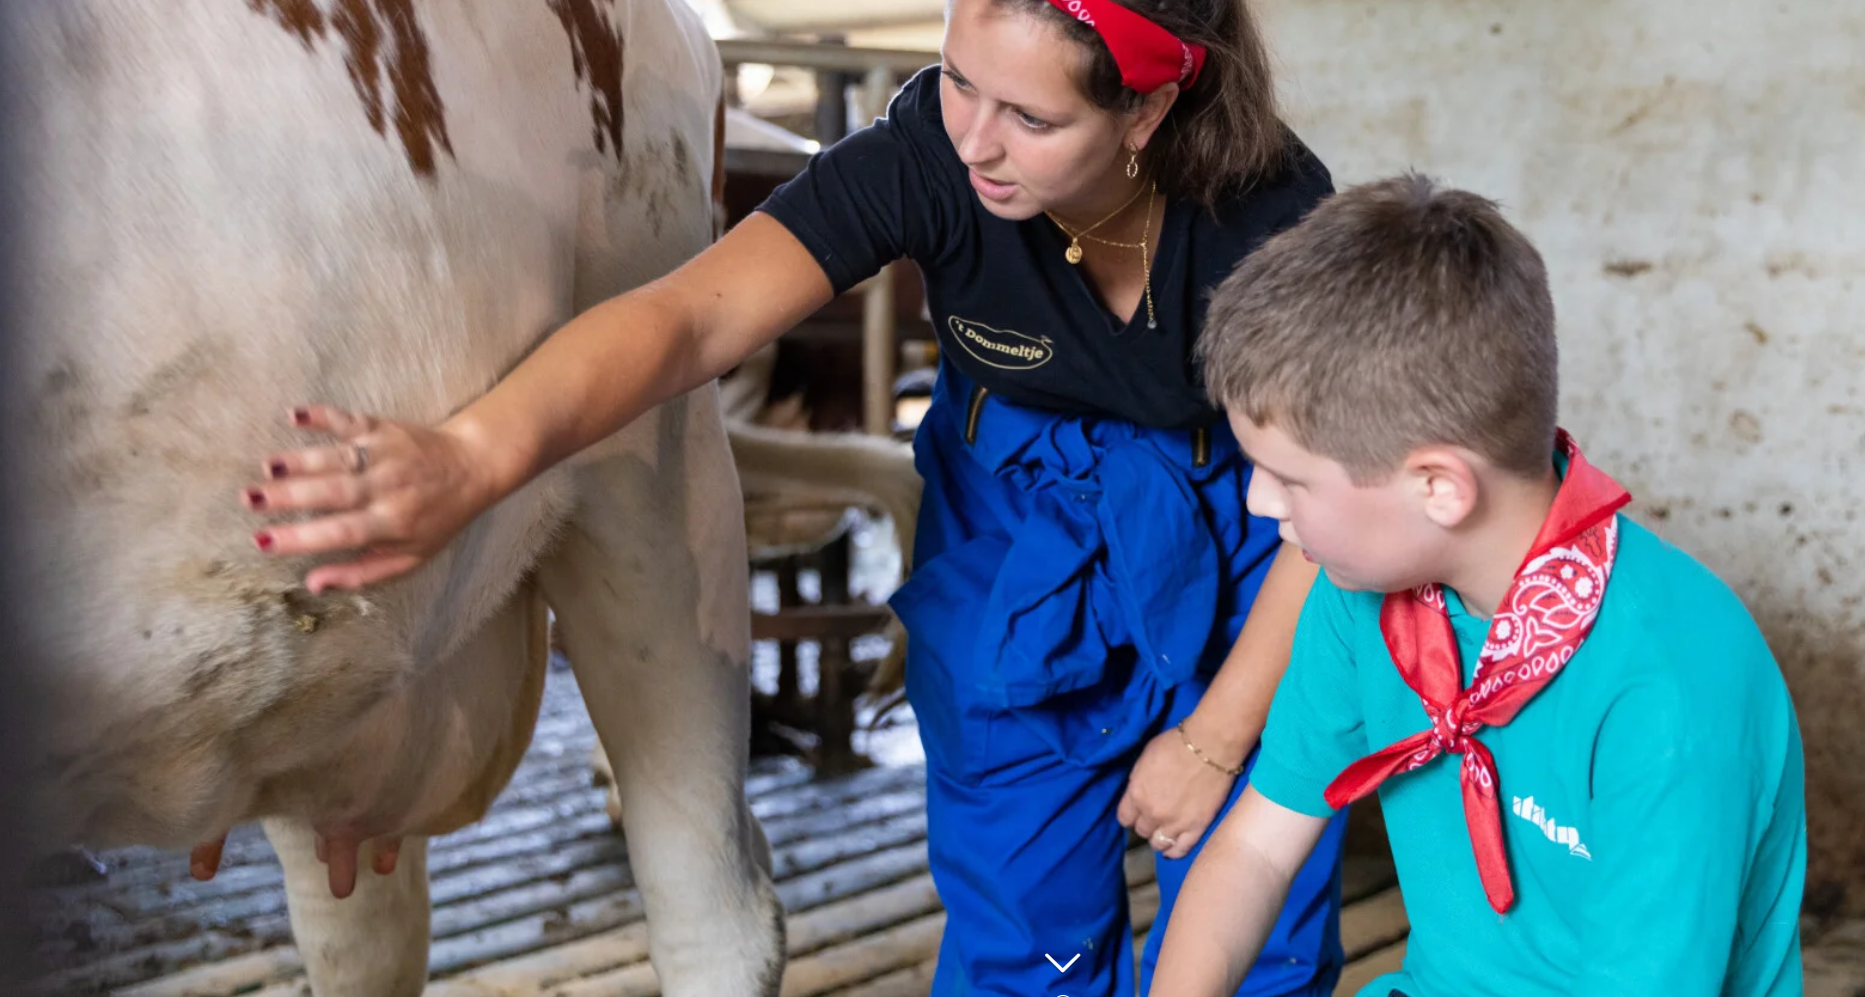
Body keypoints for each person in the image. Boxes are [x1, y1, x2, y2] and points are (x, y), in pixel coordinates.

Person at [243, 0, 1351, 993]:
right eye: (958, 78)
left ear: (1146, 112)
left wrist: (1213, 738)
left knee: (1260, 929)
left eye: (1027, 116)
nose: (972, 135)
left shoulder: (1274, 217)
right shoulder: (929, 155)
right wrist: (471, 456)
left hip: (1253, 538)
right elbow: (688, 317)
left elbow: (1328, 503)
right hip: (1018, 541)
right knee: (1023, 926)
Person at [1151, 173, 1808, 997]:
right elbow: (1255, 846)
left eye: (1290, 479)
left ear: (1438, 487)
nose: (1259, 503)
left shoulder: (1664, 687)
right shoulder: (1359, 600)